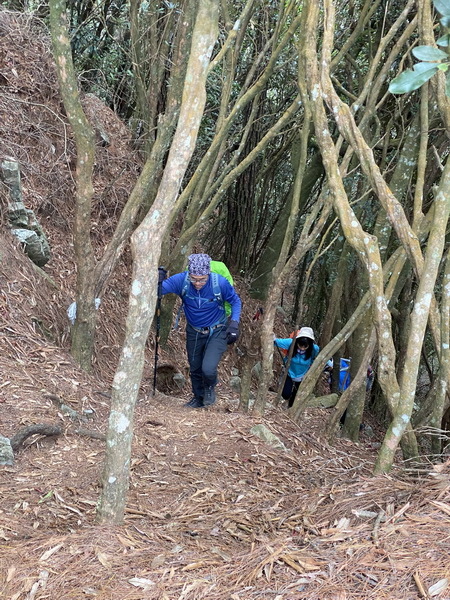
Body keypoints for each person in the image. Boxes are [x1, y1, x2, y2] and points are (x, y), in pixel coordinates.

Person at [160, 253, 241, 408]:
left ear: (208, 274)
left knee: (208, 368)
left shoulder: (220, 283)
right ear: (189, 274)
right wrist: (157, 279)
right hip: (194, 330)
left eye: (202, 279)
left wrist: (234, 324)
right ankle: (198, 398)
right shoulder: (182, 280)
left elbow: (235, 301)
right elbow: (158, 291)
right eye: (194, 279)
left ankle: (210, 387)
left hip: (217, 330)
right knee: (195, 367)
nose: (197, 283)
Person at [274, 326, 319, 408]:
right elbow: (276, 341)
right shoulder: (290, 343)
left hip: (303, 375)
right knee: (286, 394)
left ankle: (289, 408)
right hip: (289, 372)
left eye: (305, 346)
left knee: (295, 396)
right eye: (300, 345)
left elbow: (318, 358)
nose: (302, 348)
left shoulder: (314, 349)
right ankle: (286, 400)